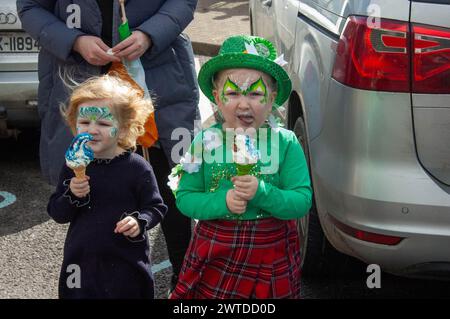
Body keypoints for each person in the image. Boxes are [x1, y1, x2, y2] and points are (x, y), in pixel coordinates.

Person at [17, 0, 198, 290]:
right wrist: (74, 40)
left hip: (158, 75)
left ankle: (186, 286)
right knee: (91, 190)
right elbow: (30, 8)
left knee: (172, 186)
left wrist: (149, 34)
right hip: (81, 78)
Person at [168, 35, 313, 299]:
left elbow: (301, 201)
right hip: (216, 247)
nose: (244, 104)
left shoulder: (285, 142)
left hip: (271, 250)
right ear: (217, 98)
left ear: (271, 99)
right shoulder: (204, 142)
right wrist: (222, 201)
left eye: (255, 93)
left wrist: (262, 192)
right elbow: (185, 197)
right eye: (232, 93)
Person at [47, 75, 167, 298]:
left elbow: (156, 207)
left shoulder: (137, 168)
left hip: (126, 264)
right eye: (84, 122)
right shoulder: (74, 165)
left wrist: (140, 221)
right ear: (74, 125)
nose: (92, 129)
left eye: (103, 123)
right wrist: (72, 194)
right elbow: (58, 213)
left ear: (122, 129)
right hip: (81, 264)